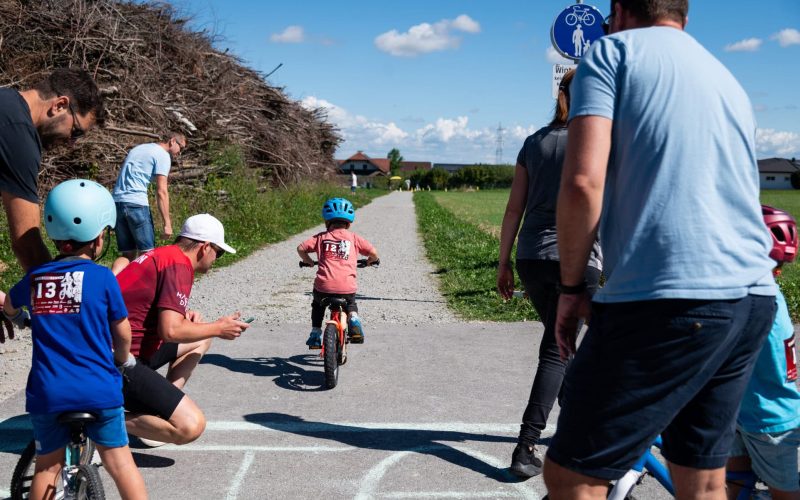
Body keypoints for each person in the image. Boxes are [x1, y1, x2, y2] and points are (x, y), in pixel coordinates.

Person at [543, 1, 778, 499]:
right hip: (753, 296)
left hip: (668, 297)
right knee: (704, 478)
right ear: (683, 17)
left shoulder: (610, 53)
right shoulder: (723, 74)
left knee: (574, 474)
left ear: (619, 11)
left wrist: (570, 287)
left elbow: (583, 182)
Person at [2, 179, 146, 499]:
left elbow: (9, 305)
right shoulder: (103, 277)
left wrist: (19, 318)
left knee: (46, 468)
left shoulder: (36, 277)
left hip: (49, 392)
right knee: (121, 466)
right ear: (98, 238)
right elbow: (122, 331)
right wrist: (124, 359)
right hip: (98, 389)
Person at [497, 68, 602, 479]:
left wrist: (504, 263)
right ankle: (526, 445)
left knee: (564, 347)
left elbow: (512, 210)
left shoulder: (534, 143)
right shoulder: (601, 144)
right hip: (577, 258)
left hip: (532, 260)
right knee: (558, 350)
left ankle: (578, 427)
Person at [117, 213, 250, 447]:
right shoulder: (179, 264)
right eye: (218, 252)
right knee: (190, 426)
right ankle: (98, 422)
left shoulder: (163, 254)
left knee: (201, 338)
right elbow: (170, 331)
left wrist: (190, 322)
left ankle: (161, 408)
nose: (216, 258)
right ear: (204, 247)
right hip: (119, 361)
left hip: (117, 350)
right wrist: (219, 328)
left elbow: (155, 314)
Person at [726, 205, 800, 500]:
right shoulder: (763, 295)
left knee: (784, 494)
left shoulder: (759, 305)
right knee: (736, 484)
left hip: (770, 422)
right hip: (739, 413)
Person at [0, 68, 104, 273]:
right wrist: (61, 294)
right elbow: (27, 243)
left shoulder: (6, 99)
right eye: (76, 131)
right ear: (59, 105)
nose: (72, 143)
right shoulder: (19, 136)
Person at [297, 197, 379, 348]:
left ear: (327, 221)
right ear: (348, 222)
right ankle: (353, 318)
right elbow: (373, 253)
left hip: (324, 287)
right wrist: (369, 261)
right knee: (351, 303)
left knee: (317, 304)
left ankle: (315, 333)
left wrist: (308, 261)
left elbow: (301, 248)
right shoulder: (354, 238)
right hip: (346, 288)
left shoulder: (321, 237)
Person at [111, 133, 187, 274]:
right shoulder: (163, 155)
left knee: (127, 254)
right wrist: (167, 223)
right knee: (147, 254)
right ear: (172, 141)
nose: (180, 152)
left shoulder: (140, 149)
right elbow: (161, 192)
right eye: (180, 148)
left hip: (117, 203)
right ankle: (140, 290)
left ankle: (112, 282)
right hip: (136, 205)